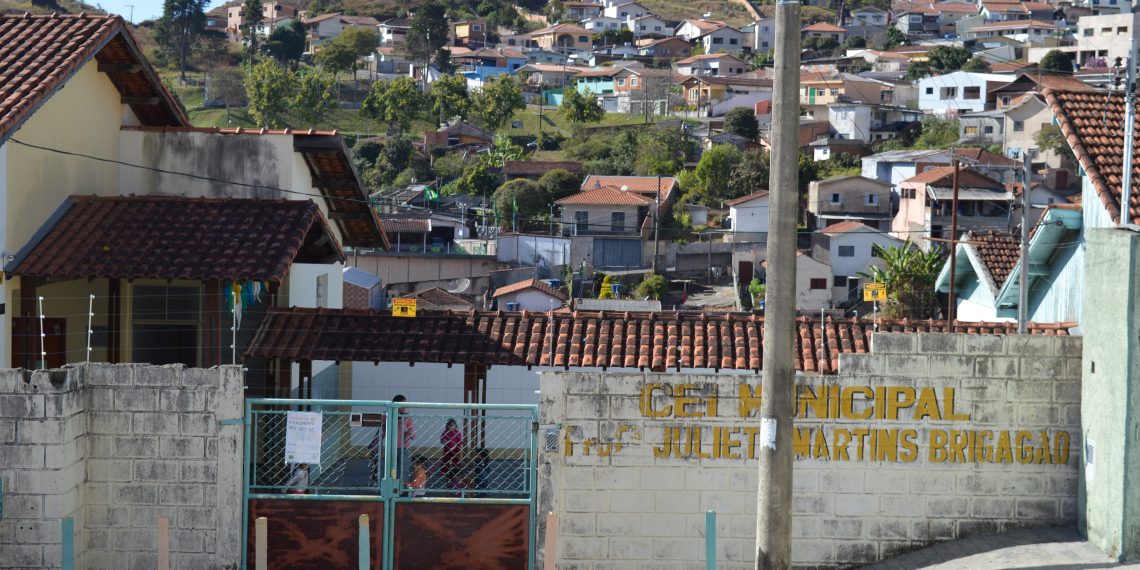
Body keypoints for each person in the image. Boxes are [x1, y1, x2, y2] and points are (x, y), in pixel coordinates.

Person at [439, 419, 463, 490]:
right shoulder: (445, 432)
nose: (451, 427)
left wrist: (460, 445)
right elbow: (442, 439)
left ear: (455, 426)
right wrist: (444, 441)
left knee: (456, 459)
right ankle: (444, 470)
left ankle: (456, 469)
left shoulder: (457, 432)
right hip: (447, 448)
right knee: (446, 459)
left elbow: (460, 440)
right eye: (450, 426)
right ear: (447, 426)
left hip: (456, 448)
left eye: (453, 425)